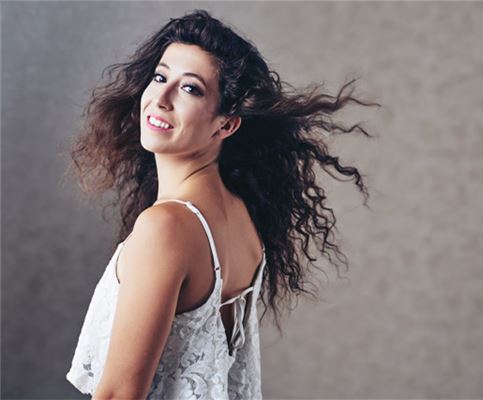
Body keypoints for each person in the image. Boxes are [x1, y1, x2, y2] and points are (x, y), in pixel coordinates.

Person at [62, 8, 380, 399]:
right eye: (160, 77)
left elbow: (118, 395)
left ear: (226, 124)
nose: (161, 98)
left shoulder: (166, 227)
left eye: (190, 88)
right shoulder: (240, 216)